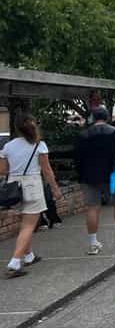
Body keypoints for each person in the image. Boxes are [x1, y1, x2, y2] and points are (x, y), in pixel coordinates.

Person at [1, 114, 62, 278]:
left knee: (24, 223)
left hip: (14, 187)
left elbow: (2, 170)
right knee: (29, 225)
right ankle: (15, 262)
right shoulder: (39, 145)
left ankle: (29, 256)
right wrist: (55, 188)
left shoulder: (8, 146)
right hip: (32, 185)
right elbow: (47, 170)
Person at [75, 107, 115, 256]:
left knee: (92, 208)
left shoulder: (83, 135)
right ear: (107, 117)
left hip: (89, 176)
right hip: (112, 174)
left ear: (92, 118)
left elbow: (77, 157)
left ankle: (93, 243)